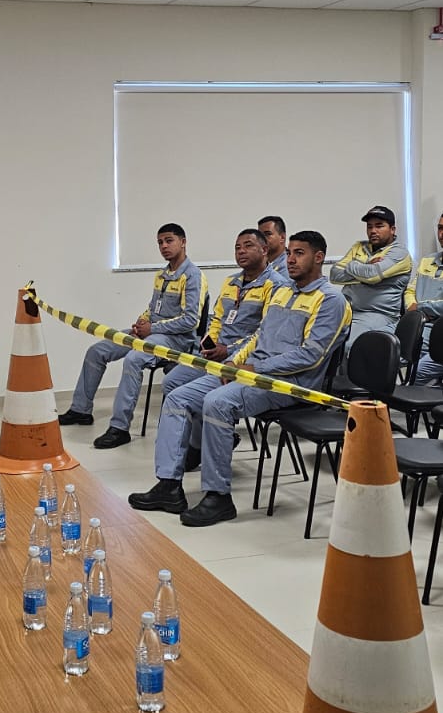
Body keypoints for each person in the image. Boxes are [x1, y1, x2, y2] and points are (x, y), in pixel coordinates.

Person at [129, 230, 351, 528]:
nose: (291, 259)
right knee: (177, 396)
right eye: (289, 253)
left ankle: (218, 496)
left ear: (319, 257)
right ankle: (169, 485)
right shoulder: (284, 293)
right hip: (251, 372)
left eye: (299, 253)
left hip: (289, 384)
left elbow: (311, 355)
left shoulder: (331, 301)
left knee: (217, 402)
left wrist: (257, 370)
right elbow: (260, 335)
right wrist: (236, 362)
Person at [58, 224, 207, 449]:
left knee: (134, 359)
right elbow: (152, 309)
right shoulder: (162, 275)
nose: (164, 246)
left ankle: (119, 428)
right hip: (153, 333)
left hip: (179, 339)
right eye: (160, 242)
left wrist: (152, 329)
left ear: (183, 242)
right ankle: (81, 409)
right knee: (97, 351)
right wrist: (141, 323)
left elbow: (190, 321)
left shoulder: (193, 276)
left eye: (169, 240)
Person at [160, 229, 279, 470]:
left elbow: (263, 333)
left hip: (239, 361)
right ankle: (196, 442)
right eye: (237, 247)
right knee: (171, 382)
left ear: (264, 250)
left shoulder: (276, 285)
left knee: (197, 395)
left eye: (248, 246)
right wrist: (209, 344)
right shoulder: (231, 281)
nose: (241, 251)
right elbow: (217, 319)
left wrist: (229, 350)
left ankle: (199, 447)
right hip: (215, 356)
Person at [330, 205, 412, 345]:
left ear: (392, 229)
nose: (373, 231)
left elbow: (372, 275)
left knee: (346, 345)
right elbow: (334, 274)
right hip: (346, 309)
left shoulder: (399, 253)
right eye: (369, 226)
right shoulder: (359, 246)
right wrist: (367, 265)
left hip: (377, 314)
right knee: (317, 339)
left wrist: (352, 264)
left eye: (379, 226)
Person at [405, 215, 443, 373]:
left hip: (436, 329)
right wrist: (413, 309)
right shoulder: (427, 260)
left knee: (415, 371)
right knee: (377, 345)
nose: (441, 234)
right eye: (440, 228)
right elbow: (410, 291)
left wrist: (421, 308)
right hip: (416, 321)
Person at [257, 214, 289, 280]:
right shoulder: (259, 266)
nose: (262, 239)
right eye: (259, 235)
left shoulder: (289, 266)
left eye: (268, 234)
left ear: (282, 237)